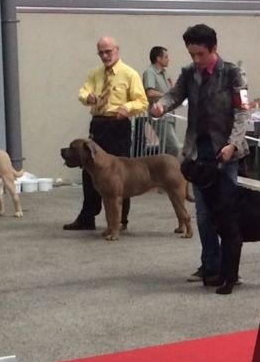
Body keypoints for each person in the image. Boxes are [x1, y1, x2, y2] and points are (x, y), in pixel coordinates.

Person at [151, 24, 249, 285]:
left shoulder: (233, 74)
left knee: (226, 215)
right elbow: (175, 94)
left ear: (214, 48)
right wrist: (161, 105)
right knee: (204, 213)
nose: (195, 59)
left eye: (200, 54)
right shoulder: (188, 73)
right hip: (198, 151)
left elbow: (242, 112)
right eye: (191, 54)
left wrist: (233, 144)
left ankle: (229, 271)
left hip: (226, 151)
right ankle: (210, 265)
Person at [64, 36, 148, 231]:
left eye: (108, 51)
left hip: (118, 126)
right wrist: (88, 96)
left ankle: (120, 222)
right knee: (89, 171)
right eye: (101, 52)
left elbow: (142, 102)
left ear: (117, 50)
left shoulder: (130, 74)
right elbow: (82, 93)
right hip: (99, 125)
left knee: (122, 174)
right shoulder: (95, 74)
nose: (104, 56)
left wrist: (127, 107)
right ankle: (87, 217)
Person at [142, 46, 182, 158]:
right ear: (158, 58)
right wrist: (168, 95)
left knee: (165, 147)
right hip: (159, 115)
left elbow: (171, 90)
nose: (169, 59)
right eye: (166, 57)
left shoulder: (165, 74)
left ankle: (160, 171)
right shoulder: (150, 72)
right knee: (173, 146)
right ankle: (170, 170)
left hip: (169, 114)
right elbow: (150, 92)